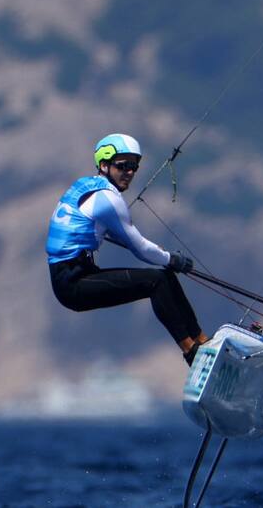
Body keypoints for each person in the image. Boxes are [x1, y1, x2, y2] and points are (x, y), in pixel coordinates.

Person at [46, 133, 209, 365]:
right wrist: (172, 259)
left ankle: (203, 341)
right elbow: (140, 248)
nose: (130, 172)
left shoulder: (86, 186)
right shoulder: (107, 199)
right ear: (104, 165)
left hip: (77, 273)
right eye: (123, 166)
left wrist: (164, 259)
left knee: (164, 277)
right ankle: (191, 352)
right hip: (72, 283)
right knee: (156, 280)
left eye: (134, 167)